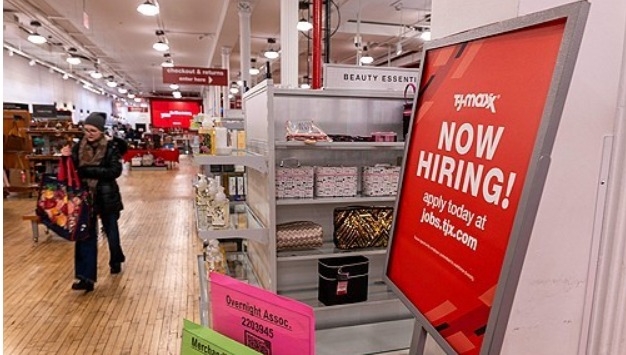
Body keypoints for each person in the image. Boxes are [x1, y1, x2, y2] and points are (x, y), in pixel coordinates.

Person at [62, 112, 128, 292]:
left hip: (106, 196)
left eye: (93, 130)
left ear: (101, 131)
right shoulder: (77, 148)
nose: (89, 133)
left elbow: (115, 171)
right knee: (85, 235)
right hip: (84, 198)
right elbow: (72, 169)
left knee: (111, 230)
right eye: (87, 130)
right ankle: (85, 278)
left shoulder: (111, 147)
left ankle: (116, 259)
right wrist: (65, 157)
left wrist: (88, 171)